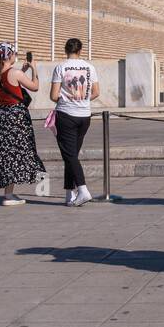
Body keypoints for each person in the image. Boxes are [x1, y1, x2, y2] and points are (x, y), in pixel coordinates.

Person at [0, 42, 46, 206]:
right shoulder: (14, 73)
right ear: (8, 56)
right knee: (13, 154)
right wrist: (34, 69)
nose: (15, 55)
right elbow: (34, 87)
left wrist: (23, 71)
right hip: (17, 117)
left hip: (3, 116)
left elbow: (8, 83)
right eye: (14, 53)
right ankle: (8, 196)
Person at [50, 37, 100, 208]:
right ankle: (69, 192)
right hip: (84, 115)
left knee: (70, 155)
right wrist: (82, 98)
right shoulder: (90, 67)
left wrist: (69, 98)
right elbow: (95, 92)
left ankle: (83, 189)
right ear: (80, 51)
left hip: (66, 114)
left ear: (66, 50)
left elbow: (53, 96)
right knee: (71, 155)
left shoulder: (60, 67)